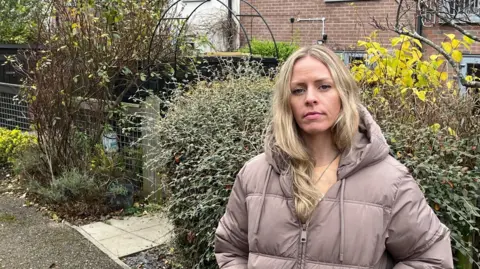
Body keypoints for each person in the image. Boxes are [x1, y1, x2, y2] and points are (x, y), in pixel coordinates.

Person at [214, 45, 453, 268]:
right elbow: (231, 249)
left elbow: (430, 257)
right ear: (287, 103)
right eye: (298, 90)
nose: (310, 98)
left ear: (343, 94)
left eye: (324, 86)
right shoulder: (255, 175)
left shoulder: (390, 182)